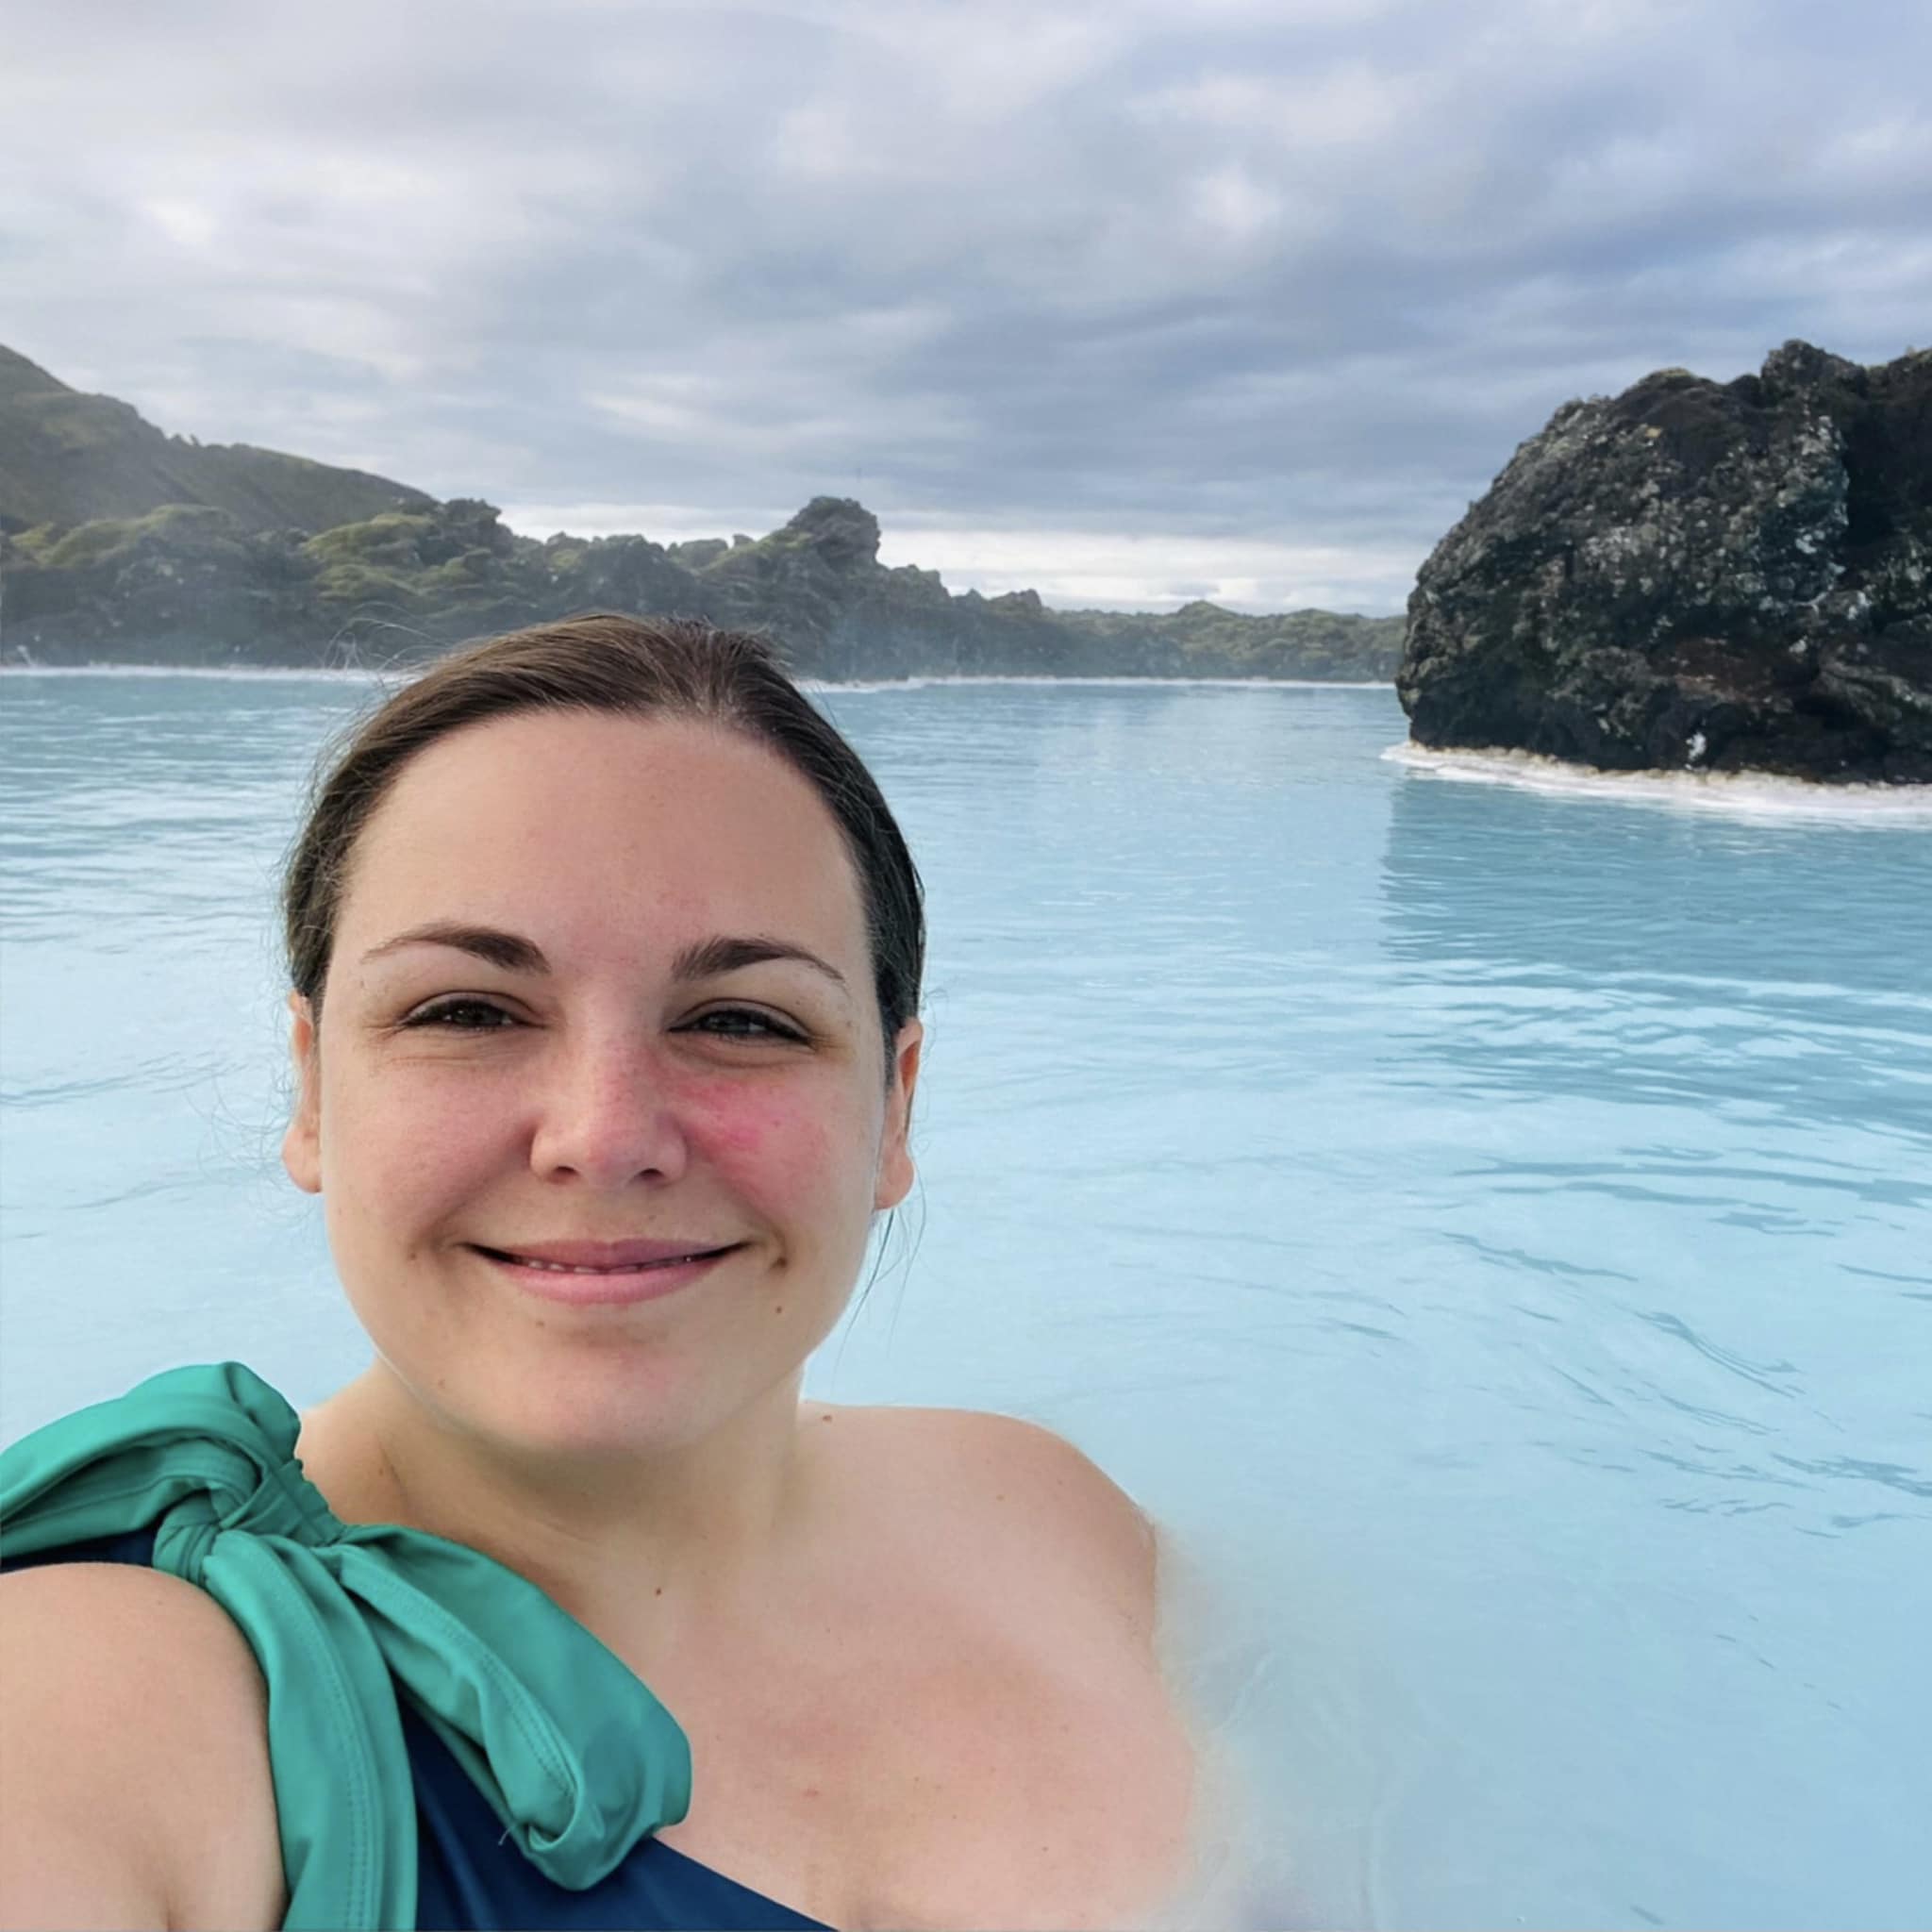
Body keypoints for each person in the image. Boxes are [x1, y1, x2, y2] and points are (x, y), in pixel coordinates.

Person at [0, 615, 1205, 1930]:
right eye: (466, 1010)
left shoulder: (1055, 1523)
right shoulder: (106, 1698)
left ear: (893, 1111)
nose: (606, 1137)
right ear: (311, 1090)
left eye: (741, 1020)